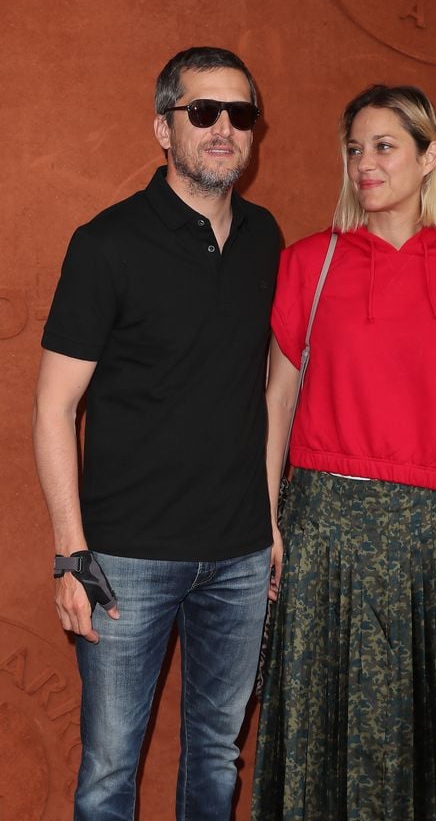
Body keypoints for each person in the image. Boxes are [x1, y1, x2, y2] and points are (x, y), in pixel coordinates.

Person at [252, 84, 436, 820]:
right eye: (355, 148)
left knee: (420, 728)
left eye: (384, 146)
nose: (365, 163)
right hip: (322, 522)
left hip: (427, 532)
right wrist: (269, 524)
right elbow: (276, 404)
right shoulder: (306, 264)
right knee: (318, 720)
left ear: (429, 157)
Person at [32, 46, 281, 821]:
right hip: (125, 561)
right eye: (202, 111)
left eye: (239, 115)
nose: (223, 129)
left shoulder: (267, 239)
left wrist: (269, 525)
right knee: (110, 767)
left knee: (216, 749)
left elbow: (272, 391)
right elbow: (53, 409)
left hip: (240, 556)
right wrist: (72, 557)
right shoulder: (106, 244)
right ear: (162, 129)